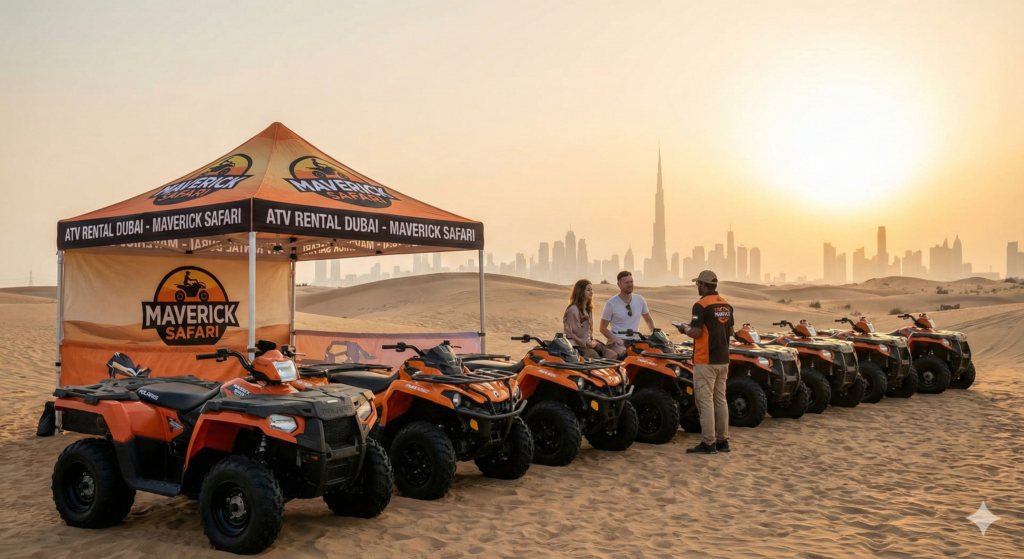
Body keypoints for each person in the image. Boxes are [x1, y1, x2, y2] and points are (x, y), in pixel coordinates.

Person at [677, 270, 734, 455]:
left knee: (705, 401)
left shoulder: (700, 305)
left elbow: (695, 332)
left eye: (698, 284)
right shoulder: (726, 304)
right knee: (720, 400)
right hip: (723, 359)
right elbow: (731, 331)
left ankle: (708, 443)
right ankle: (723, 441)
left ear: (703, 285)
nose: (697, 287)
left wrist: (684, 329)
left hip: (705, 360)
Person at [600, 271, 656, 359]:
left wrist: (654, 333)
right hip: (617, 341)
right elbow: (602, 328)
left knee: (650, 354)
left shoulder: (640, 299)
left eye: (631, 282)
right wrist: (615, 339)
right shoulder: (611, 304)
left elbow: (648, 319)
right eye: (626, 282)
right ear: (619, 284)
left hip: (635, 340)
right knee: (624, 354)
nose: (630, 285)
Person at [563, 279, 618, 359]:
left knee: (612, 355)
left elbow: (589, 331)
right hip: (576, 345)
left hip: (589, 342)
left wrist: (591, 342)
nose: (591, 292)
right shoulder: (573, 310)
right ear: (581, 292)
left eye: (591, 290)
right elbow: (572, 333)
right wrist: (585, 343)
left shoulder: (588, 308)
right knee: (595, 358)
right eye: (588, 290)